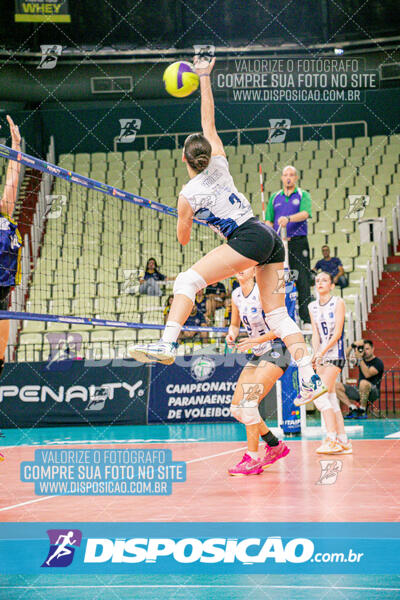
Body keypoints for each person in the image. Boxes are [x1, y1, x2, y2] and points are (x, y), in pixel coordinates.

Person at [129, 56, 326, 406]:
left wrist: (187, 217)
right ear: (207, 154)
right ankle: (310, 376)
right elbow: (209, 121)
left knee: (186, 281)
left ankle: (167, 343)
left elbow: (183, 239)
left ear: (185, 161)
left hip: (247, 241)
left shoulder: (186, 195)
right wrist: (205, 76)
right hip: (268, 237)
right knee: (278, 315)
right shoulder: (219, 161)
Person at [225, 267, 290, 475]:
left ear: (254, 271)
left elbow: (280, 327)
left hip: (277, 348)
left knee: (249, 403)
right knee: (237, 408)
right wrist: (231, 334)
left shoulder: (263, 292)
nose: (240, 270)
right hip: (259, 352)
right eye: (238, 267)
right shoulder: (236, 294)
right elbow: (235, 325)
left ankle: (252, 459)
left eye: (246, 267)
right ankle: (274, 445)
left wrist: (255, 340)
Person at [308, 272, 352, 454]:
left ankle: (331, 438)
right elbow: (316, 334)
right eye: (317, 280)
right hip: (322, 356)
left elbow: (338, 333)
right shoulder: (312, 306)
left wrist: (322, 352)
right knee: (331, 399)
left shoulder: (338, 302)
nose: (320, 283)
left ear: (332, 285)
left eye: (324, 280)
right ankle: (343, 440)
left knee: (319, 395)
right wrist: (315, 354)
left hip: (336, 354)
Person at [265, 165, 313, 328]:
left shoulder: (302, 195)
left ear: (296, 178)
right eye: (285, 175)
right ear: (282, 178)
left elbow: (305, 214)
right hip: (280, 244)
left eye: (291, 175)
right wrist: (270, 236)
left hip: (298, 242)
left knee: (303, 279)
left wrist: (288, 218)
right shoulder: (274, 197)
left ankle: (306, 319)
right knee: (281, 278)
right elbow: (269, 220)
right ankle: (281, 318)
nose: (288, 177)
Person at [0, 115, 22, 381]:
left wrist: (16, 148)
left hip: (2, 296)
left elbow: (12, 181)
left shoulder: (4, 214)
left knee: (0, 357)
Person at [336, 339, 384, 419]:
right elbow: (345, 357)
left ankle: (362, 410)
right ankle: (353, 408)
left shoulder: (378, 362)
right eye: (363, 349)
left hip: (373, 392)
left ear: (373, 349)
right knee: (336, 386)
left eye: (367, 349)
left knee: (363, 383)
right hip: (360, 390)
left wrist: (360, 359)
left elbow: (367, 374)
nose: (365, 351)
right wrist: (352, 345)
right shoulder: (361, 360)